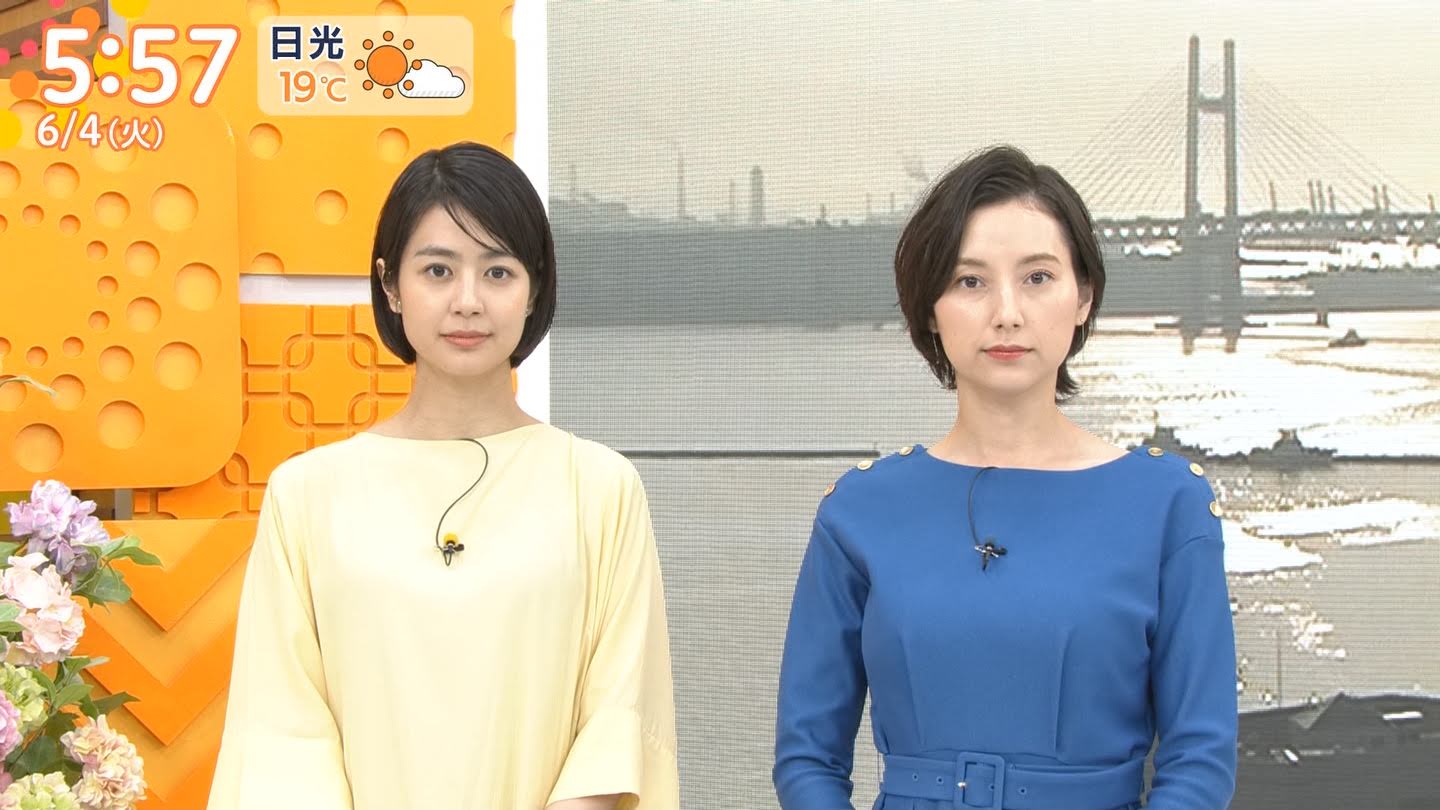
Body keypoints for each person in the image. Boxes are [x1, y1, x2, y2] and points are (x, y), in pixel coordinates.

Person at [209, 142, 679, 810]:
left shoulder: (601, 489)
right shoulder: (306, 494)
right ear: (390, 286)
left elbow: (619, 723)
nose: (467, 301)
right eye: (437, 270)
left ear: (534, 289)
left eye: (498, 272)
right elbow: (281, 736)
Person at [773, 146, 1236, 810]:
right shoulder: (860, 510)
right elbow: (807, 758)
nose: (1007, 313)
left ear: (1084, 297)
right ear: (929, 309)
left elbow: (1200, 761)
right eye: (970, 282)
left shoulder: (1168, 506)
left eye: (1038, 277)